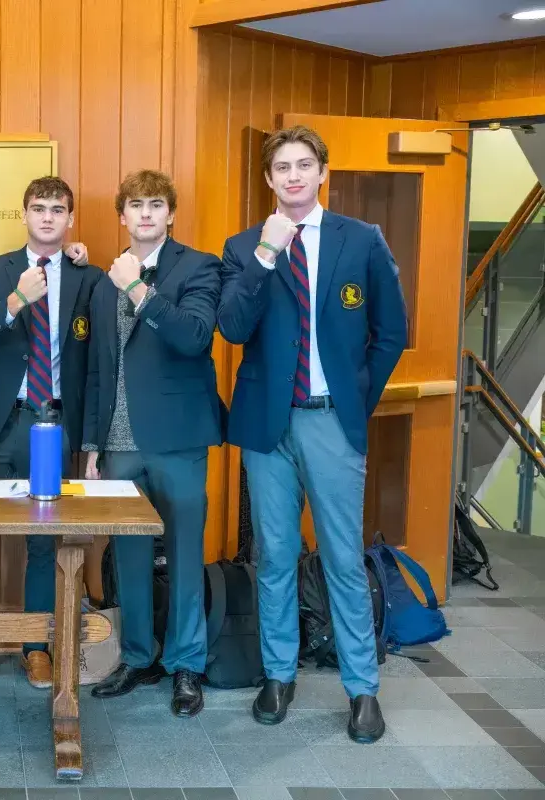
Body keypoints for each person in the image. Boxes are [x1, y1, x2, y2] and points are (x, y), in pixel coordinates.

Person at [217, 125, 407, 743]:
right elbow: (234, 327)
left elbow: (389, 332)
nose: (294, 176)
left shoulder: (362, 241)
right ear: (268, 180)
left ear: (323, 172)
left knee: (344, 559)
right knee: (273, 555)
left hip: (332, 420)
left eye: (304, 165)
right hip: (267, 426)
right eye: (282, 167)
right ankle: (278, 675)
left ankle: (362, 688)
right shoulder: (245, 245)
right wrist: (267, 257)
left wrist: (356, 400)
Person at [0, 176, 102, 693]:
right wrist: (14, 301)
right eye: (39, 208)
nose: (49, 217)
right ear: (24, 214)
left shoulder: (87, 277)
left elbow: (97, 358)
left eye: (59, 209)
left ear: (70, 219)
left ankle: (37, 645)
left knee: (43, 541)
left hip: (51, 424)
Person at [81, 170, 223, 717]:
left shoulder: (197, 266)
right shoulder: (100, 282)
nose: (145, 213)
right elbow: (99, 367)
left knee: (186, 550)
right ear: (122, 215)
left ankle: (187, 664)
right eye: (135, 205)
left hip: (178, 435)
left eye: (156, 205)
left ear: (171, 214)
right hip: (117, 442)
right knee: (129, 555)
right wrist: (93, 443)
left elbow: (193, 336)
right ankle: (138, 655)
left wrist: (139, 287)